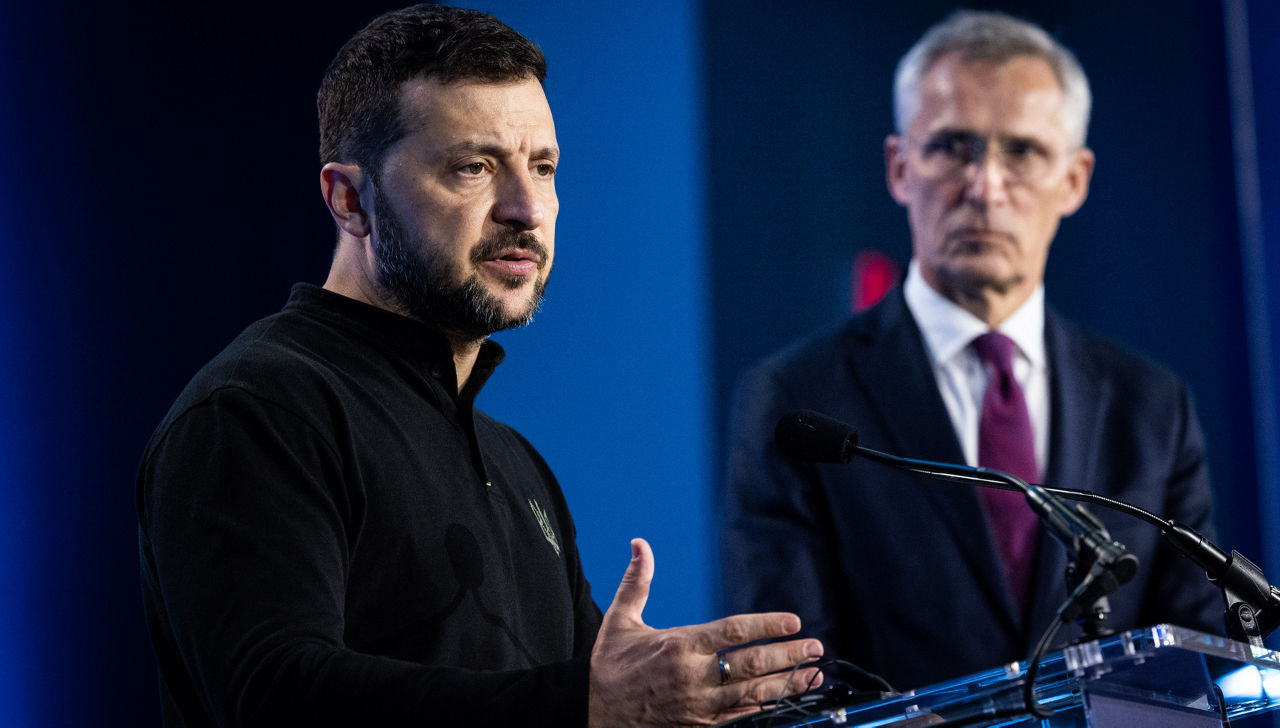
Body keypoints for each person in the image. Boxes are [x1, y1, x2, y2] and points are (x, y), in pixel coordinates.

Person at [136, 5, 823, 726]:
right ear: (348, 199)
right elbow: (275, 696)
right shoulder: (257, 410)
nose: (526, 208)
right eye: (474, 168)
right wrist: (584, 702)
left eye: (543, 167)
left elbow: (599, 706)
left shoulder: (515, 461)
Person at [720, 9, 1222, 692]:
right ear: (900, 168)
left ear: (1073, 180)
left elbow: (1197, 658)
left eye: (1022, 151)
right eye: (954, 147)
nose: (985, 186)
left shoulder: (1152, 404)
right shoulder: (797, 399)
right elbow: (792, 677)